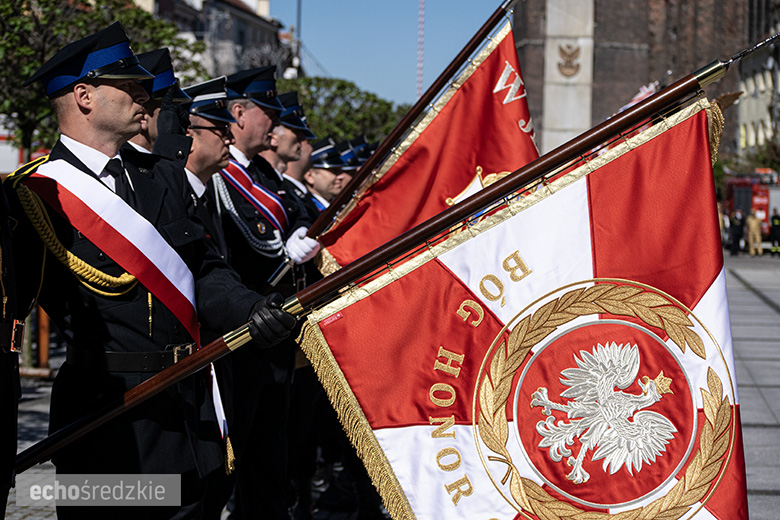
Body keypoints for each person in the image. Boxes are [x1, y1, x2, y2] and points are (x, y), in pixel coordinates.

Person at [6, 23, 296, 519]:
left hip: (188, 407)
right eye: (129, 87)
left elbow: (204, 273)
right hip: (107, 416)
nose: (146, 96)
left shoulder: (162, 179)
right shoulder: (33, 195)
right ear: (84, 97)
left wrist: (254, 310)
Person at [126, 48, 191, 162]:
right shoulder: (127, 163)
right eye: (173, 112)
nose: (180, 120)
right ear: (143, 117)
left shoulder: (149, 161)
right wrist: (171, 142)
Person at [304, 138, 347, 209]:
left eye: (340, 171)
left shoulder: (334, 206)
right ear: (310, 176)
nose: (341, 176)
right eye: (334, 171)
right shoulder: (308, 208)